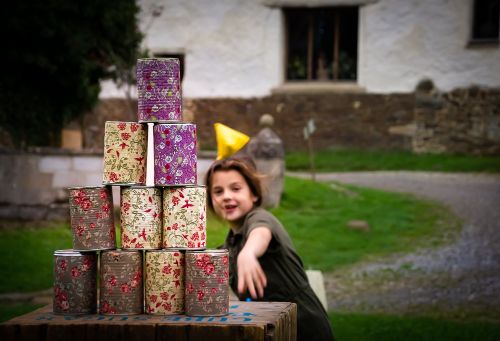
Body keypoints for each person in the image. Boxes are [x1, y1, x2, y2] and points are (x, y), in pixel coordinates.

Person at [205, 156, 334, 340]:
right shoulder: (230, 244)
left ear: (254, 194)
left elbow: (261, 233)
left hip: (303, 327)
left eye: (235, 188)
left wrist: (248, 254)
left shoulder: (260, 218)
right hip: (272, 331)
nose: (226, 196)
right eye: (218, 191)